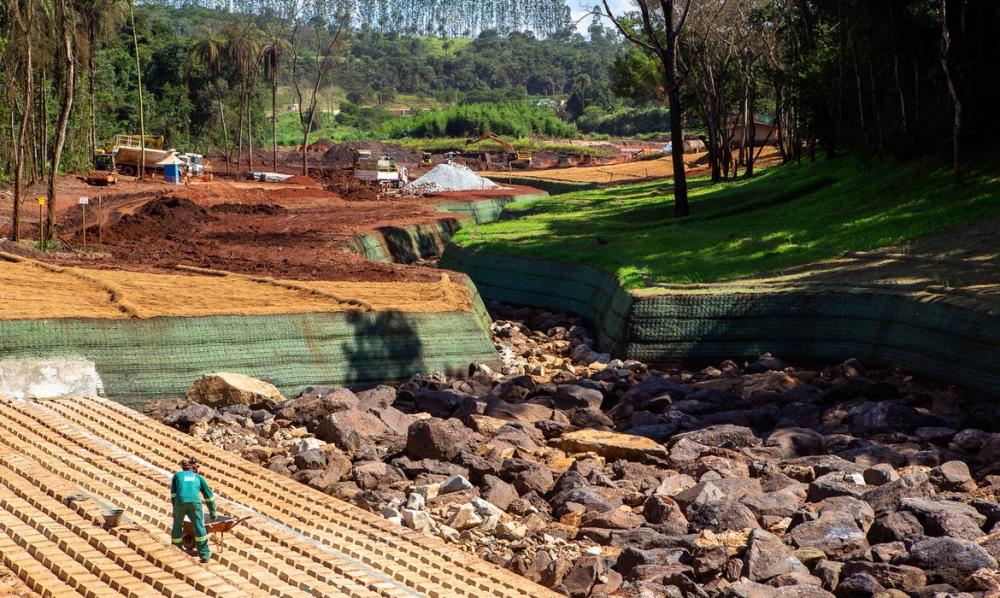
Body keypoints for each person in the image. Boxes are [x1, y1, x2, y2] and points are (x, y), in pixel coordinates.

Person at [170, 457, 217, 563]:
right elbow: (209, 496)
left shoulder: (177, 476)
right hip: (195, 503)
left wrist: (176, 507)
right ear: (194, 468)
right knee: (199, 526)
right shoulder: (199, 478)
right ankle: (204, 555)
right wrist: (212, 512)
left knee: (177, 525)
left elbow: (173, 494)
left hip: (180, 503)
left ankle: (176, 551)